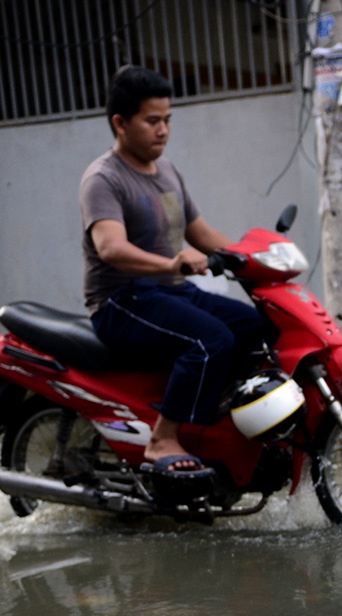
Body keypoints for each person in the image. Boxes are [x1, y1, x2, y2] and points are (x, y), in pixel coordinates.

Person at [81, 65, 270, 488]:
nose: (163, 130)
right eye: (152, 121)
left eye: (167, 120)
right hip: (121, 300)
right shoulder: (103, 179)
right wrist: (170, 265)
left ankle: (216, 423)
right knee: (209, 340)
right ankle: (163, 439)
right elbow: (111, 247)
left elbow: (200, 233)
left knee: (256, 325)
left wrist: (254, 259)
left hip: (170, 292)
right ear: (120, 123)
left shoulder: (166, 170)